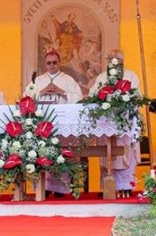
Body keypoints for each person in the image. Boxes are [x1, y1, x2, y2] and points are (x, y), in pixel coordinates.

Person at [89, 49, 141, 194]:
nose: (112, 61)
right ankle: (107, 186)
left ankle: (126, 186)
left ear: (122, 61)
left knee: (125, 153)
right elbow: (92, 94)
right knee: (107, 154)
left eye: (115, 58)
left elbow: (136, 95)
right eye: (109, 58)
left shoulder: (131, 75)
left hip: (124, 121)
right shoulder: (101, 77)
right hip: (104, 121)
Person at [34, 50, 83, 195]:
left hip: (63, 123)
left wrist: (62, 92)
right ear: (45, 64)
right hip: (44, 124)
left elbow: (79, 97)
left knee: (62, 153)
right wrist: (42, 92)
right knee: (45, 153)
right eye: (49, 63)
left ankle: (62, 188)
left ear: (59, 63)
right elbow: (28, 97)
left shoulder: (68, 80)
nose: (52, 65)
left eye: (54, 62)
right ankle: (45, 188)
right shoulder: (38, 81)